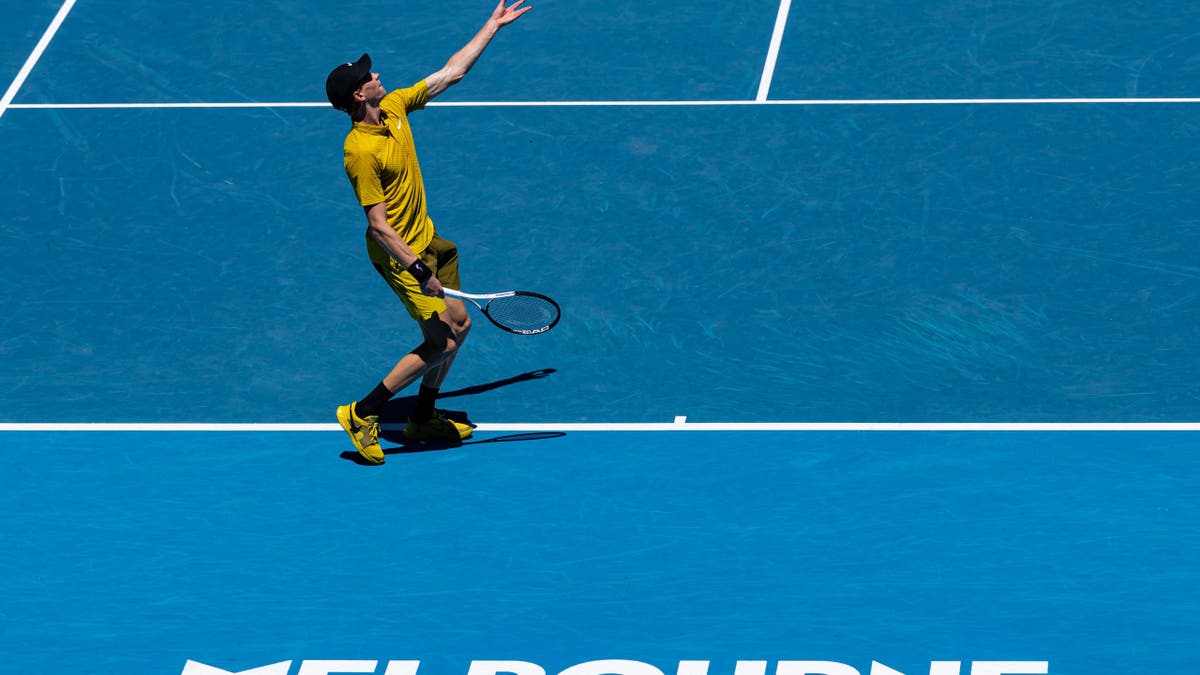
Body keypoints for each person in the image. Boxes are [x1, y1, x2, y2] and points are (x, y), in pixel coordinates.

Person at [326, 0, 533, 465]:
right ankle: (362, 412)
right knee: (442, 340)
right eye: (368, 76)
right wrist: (417, 269)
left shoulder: (396, 106)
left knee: (460, 325)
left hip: (429, 239)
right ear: (360, 95)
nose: (376, 75)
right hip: (400, 254)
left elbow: (450, 73)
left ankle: (421, 415)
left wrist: (492, 26)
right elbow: (378, 227)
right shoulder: (359, 152)